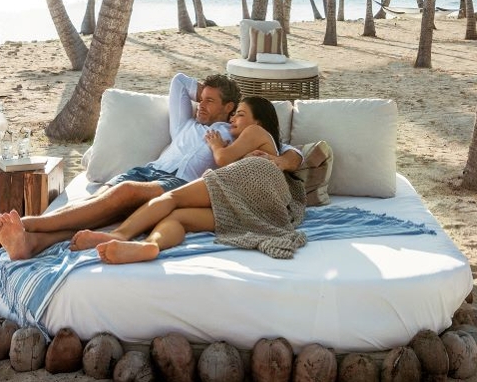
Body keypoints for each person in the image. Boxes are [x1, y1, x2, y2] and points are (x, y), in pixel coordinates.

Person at [0, 74, 301, 260]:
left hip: (175, 183)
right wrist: (205, 92)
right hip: (147, 171)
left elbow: (285, 151)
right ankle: (30, 244)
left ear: (230, 107)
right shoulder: (187, 125)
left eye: (210, 101)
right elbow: (179, 82)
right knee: (99, 208)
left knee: (121, 196)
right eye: (201, 99)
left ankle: (30, 222)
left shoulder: (234, 133)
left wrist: (280, 160)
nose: (201, 106)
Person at [68, 96, 307, 264]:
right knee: (178, 218)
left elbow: (223, 160)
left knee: (171, 198)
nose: (233, 119)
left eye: (240, 114)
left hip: (253, 192)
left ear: (259, 122)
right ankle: (150, 245)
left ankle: (119, 235)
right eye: (233, 115)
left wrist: (215, 145)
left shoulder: (254, 133)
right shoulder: (258, 144)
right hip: (254, 211)